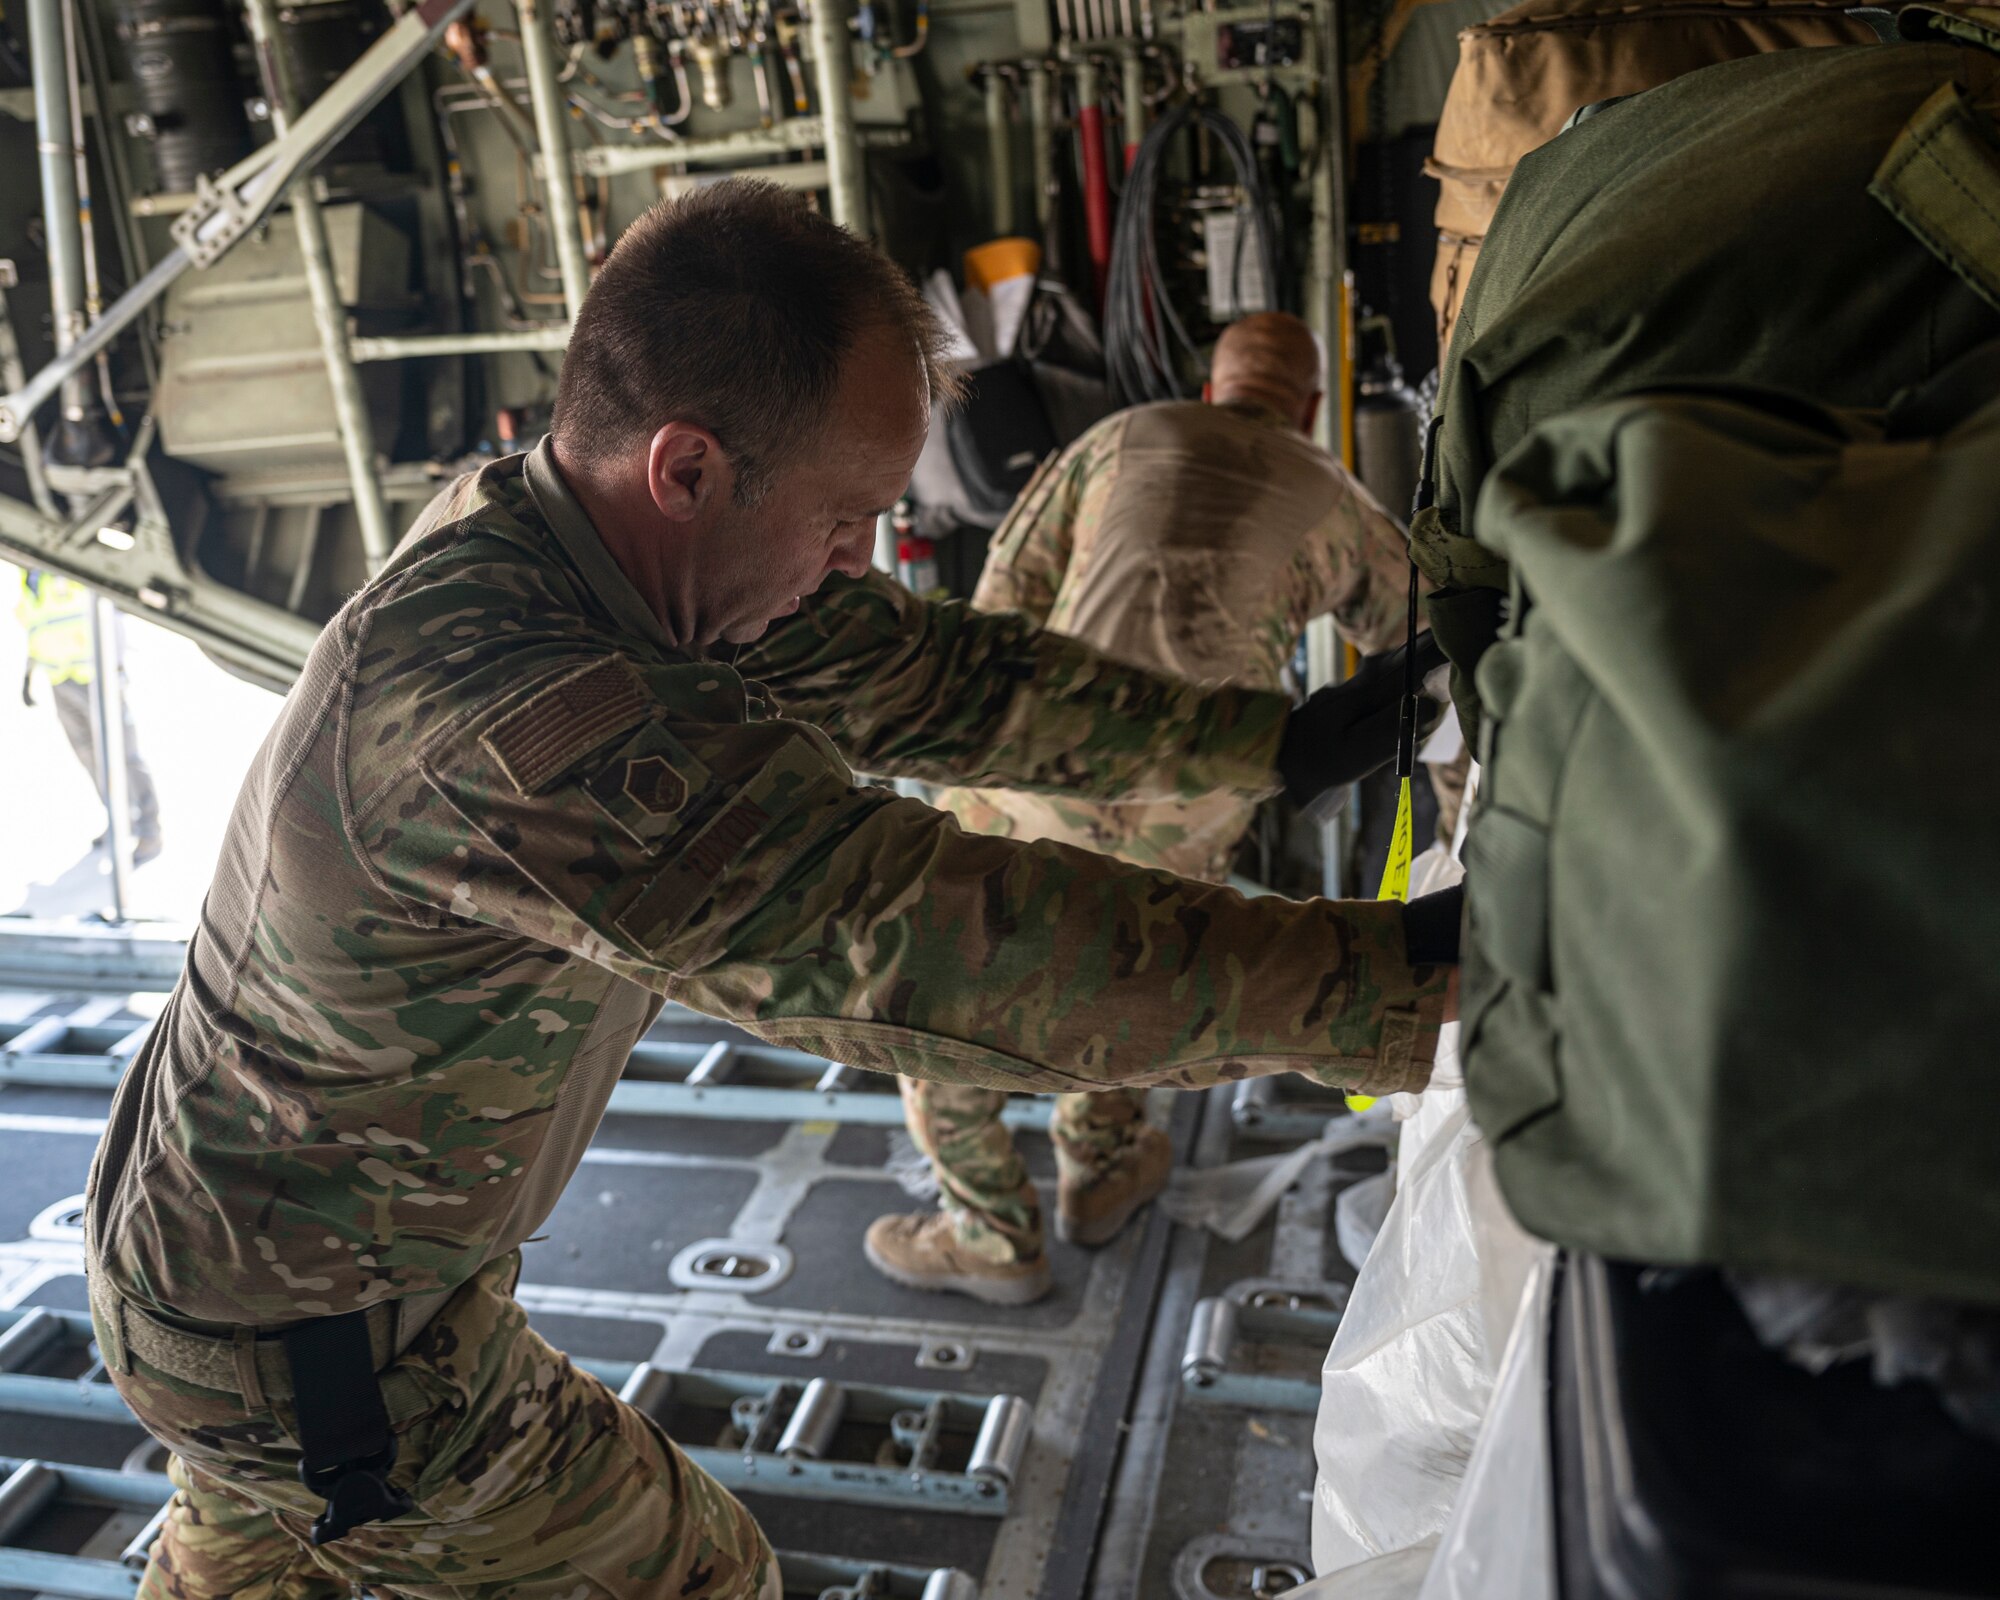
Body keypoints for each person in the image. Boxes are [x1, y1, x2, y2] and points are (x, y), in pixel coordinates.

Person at [84, 182, 1460, 1600]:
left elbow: (944, 680)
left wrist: (1268, 745)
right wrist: (1413, 985)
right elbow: (915, 949)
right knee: (701, 1579)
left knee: (245, 1559)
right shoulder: (511, 717)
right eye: (846, 515)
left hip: (245, 1261)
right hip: (310, 1337)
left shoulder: (607, 553)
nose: (858, 556)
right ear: (687, 470)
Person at [869, 311, 1422, 1304]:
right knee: (1123, 976)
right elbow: (1410, 629)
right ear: (1303, 406)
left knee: (946, 978)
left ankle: (990, 1234)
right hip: (1196, 797)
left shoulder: (1117, 438)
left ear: (1208, 386)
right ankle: (1099, 1168)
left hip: (1043, 768)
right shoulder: (1329, 494)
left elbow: (1004, 601)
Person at [16, 568, 163, 864]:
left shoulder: (66, 564)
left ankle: (150, 831)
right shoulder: (29, 575)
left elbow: (110, 610)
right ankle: (119, 819)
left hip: (95, 676)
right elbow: (39, 626)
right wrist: (29, 672)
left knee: (125, 755)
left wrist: (116, 667)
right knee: (89, 755)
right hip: (61, 680)